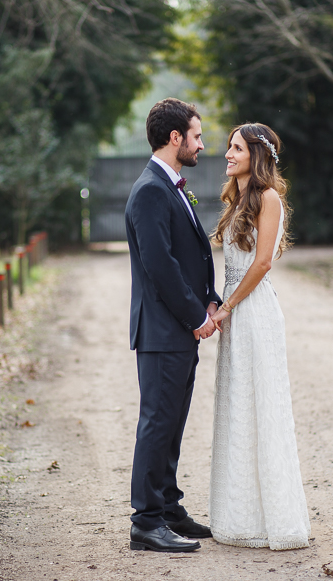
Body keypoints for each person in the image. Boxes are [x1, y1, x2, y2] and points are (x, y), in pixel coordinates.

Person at [124, 98, 222, 553]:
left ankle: (168, 508)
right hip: (163, 332)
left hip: (176, 331)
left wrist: (210, 297)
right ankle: (146, 521)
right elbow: (159, 266)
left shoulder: (172, 186)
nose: (203, 145)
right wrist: (197, 316)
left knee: (173, 423)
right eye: (197, 136)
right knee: (157, 422)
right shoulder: (149, 190)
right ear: (175, 138)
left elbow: (189, 255)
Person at [208, 123, 311, 550]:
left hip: (254, 312)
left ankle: (275, 518)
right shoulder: (236, 200)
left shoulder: (269, 199)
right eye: (229, 148)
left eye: (235, 148)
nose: (227, 154)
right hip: (234, 310)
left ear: (256, 154)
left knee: (261, 406)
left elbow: (263, 262)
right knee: (237, 406)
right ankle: (239, 514)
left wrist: (229, 307)